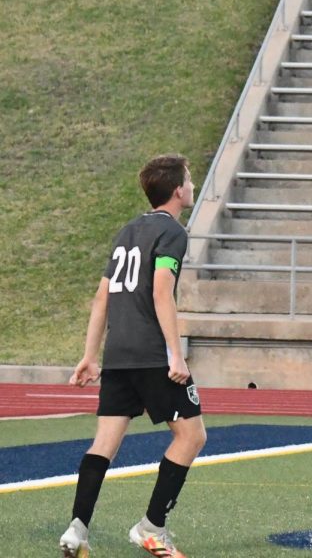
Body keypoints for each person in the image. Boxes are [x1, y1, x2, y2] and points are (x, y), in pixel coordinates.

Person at [59, 155, 206, 558]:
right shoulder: (173, 232)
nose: (191, 185)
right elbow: (162, 291)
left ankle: (77, 529)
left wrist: (91, 355)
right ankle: (151, 528)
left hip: (119, 353)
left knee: (105, 442)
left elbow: (101, 297)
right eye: (189, 180)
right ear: (178, 190)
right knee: (191, 436)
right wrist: (176, 355)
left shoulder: (127, 231)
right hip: (151, 354)